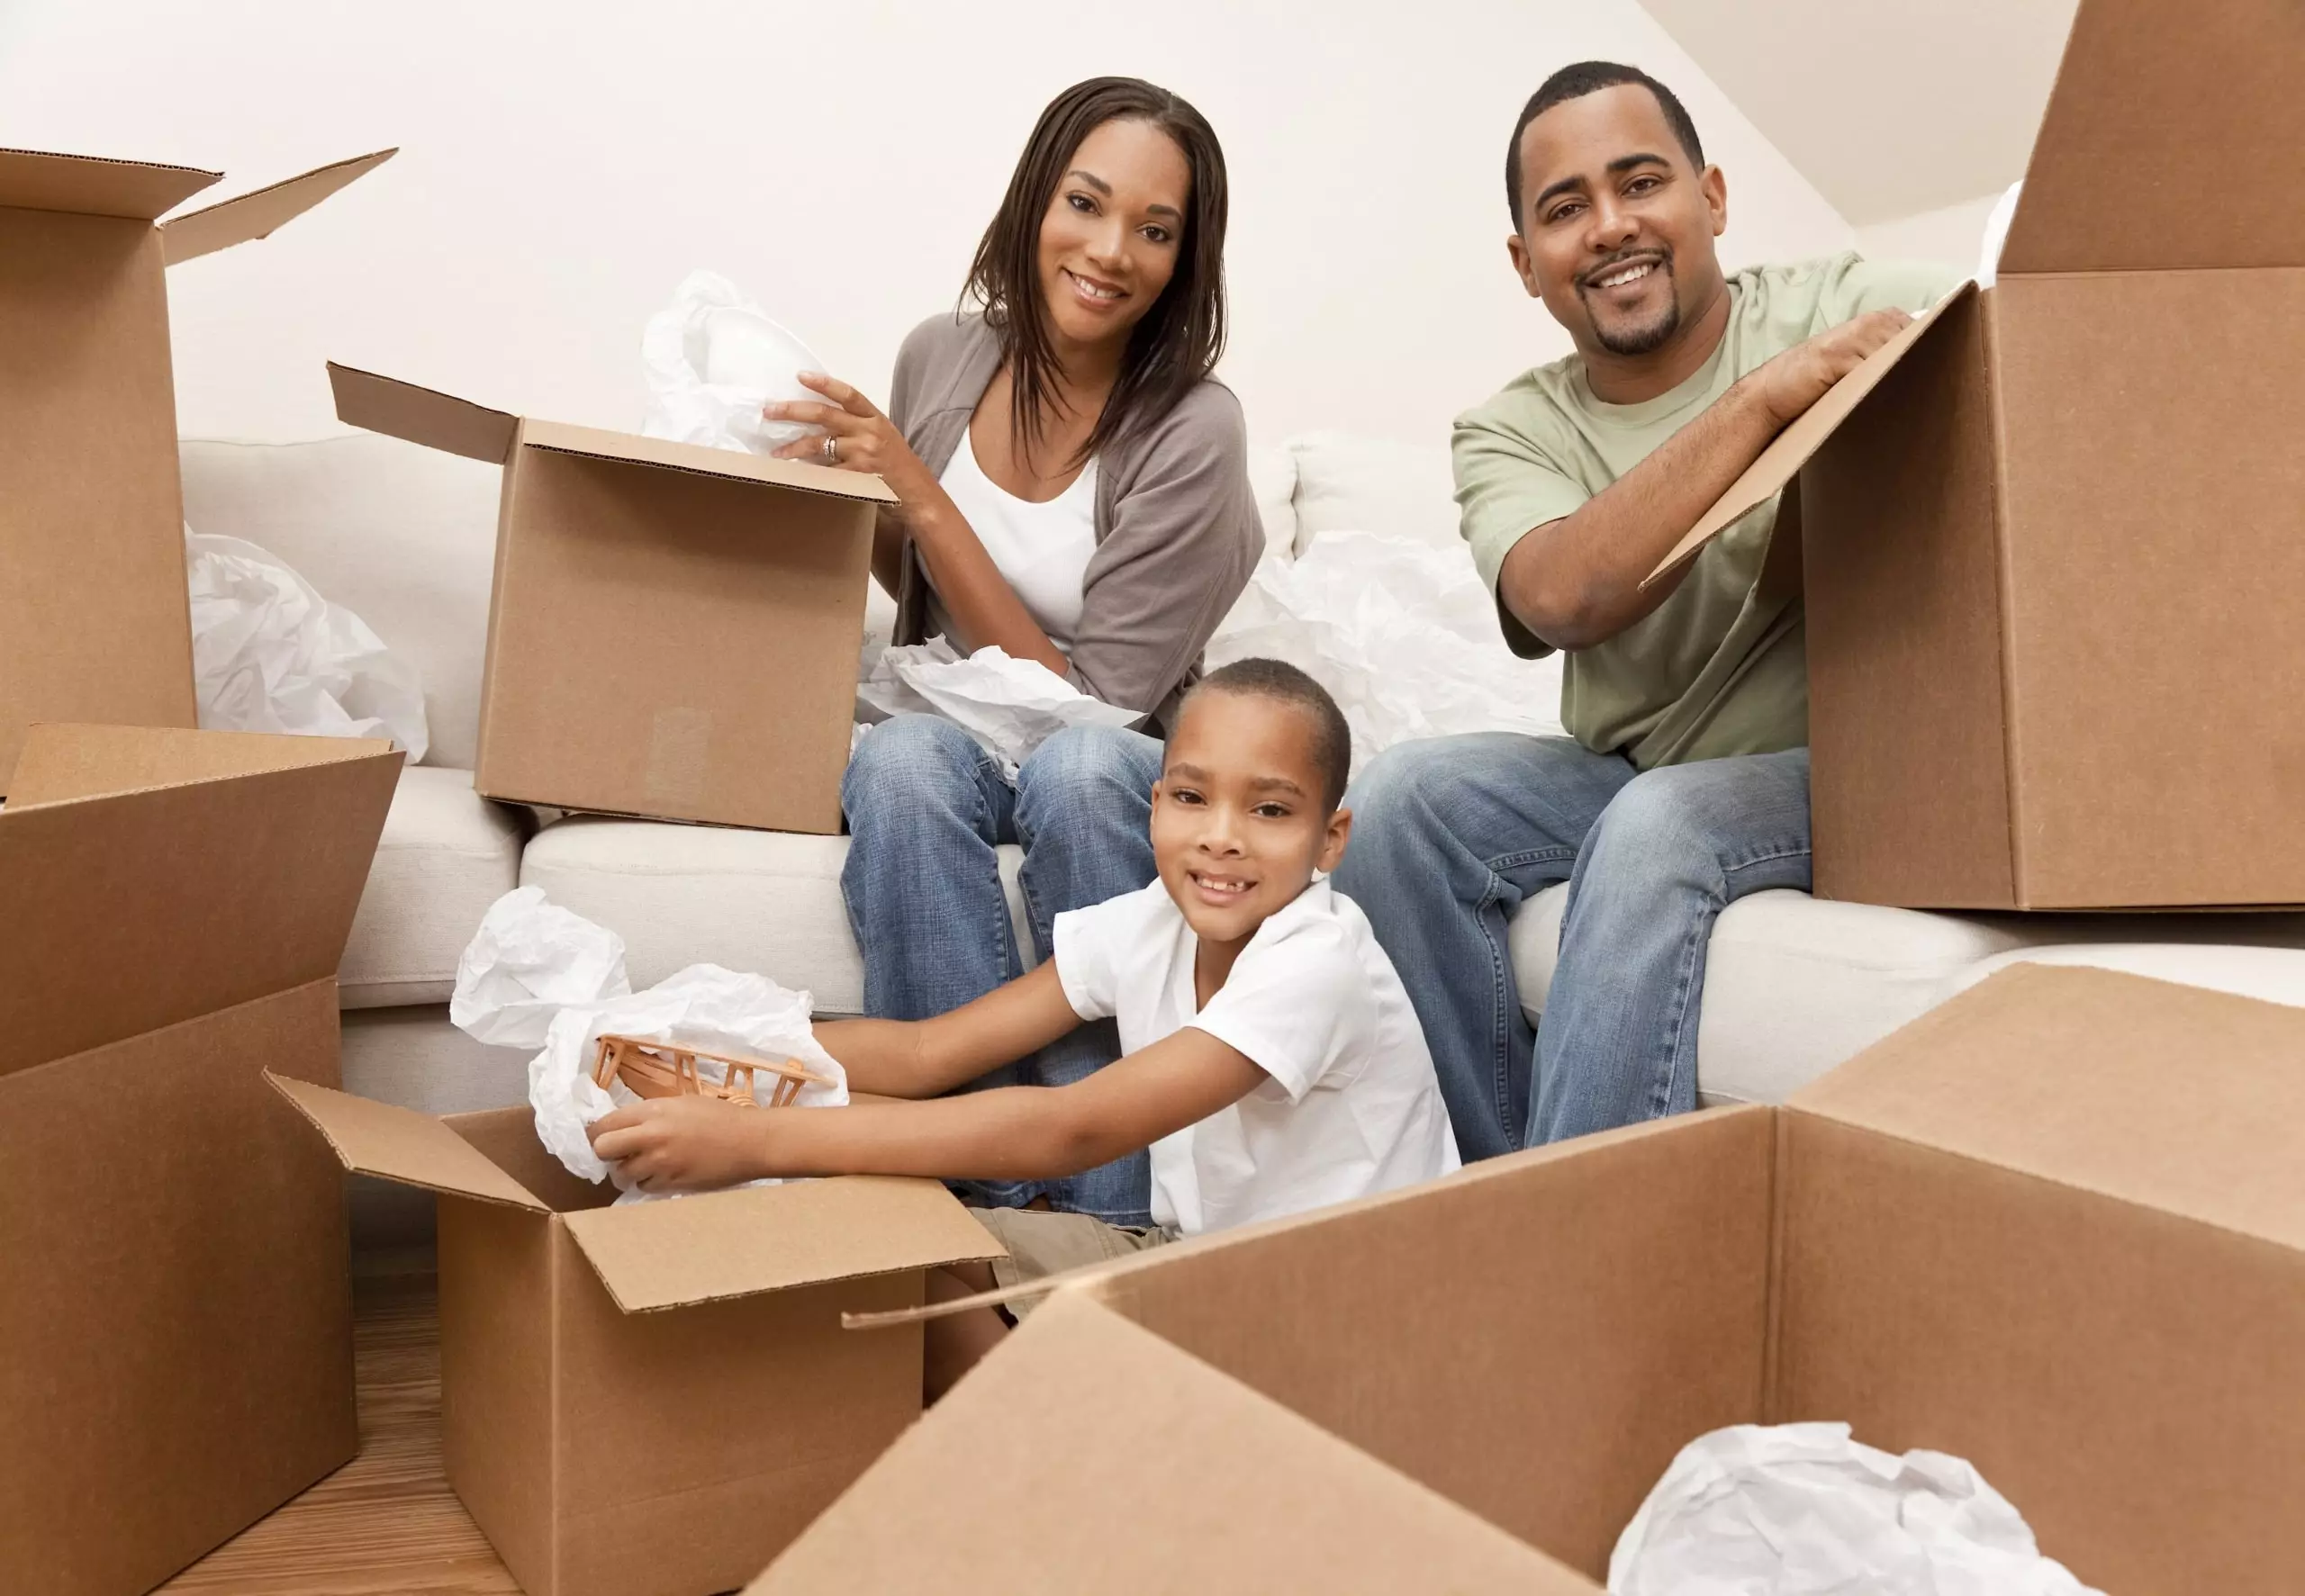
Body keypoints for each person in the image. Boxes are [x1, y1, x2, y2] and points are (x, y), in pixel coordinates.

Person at [1333, 62, 1960, 1160]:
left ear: (1711, 198)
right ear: (1527, 264)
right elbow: (1558, 594)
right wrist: (1762, 399)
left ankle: (1570, 1255)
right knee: (1401, 801)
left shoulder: (1843, 305)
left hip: (1840, 765)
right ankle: (1493, 1195)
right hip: (1634, 760)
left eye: (1641, 183)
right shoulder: (1508, 429)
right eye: (1566, 210)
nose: (1612, 227)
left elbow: (2045, 348)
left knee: (1658, 826)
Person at [589, 659, 1459, 1397]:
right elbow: (929, 1051)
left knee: (882, 1241)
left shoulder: (1318, 960)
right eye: (1192, 798)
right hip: (1197, 1258)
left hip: (1335, 1318)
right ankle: (1052, 1455)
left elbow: (1067, 1129)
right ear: (1155, 804)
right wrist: (715, 1047)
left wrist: (757, 1140)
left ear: (1330, 837)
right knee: (895, 1253)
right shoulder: (1154, 919)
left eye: (1269, 811)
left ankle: (1065, 1476)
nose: (1220, 839)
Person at [762, 77, 1263, 1228]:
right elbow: (915, 595)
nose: (1109, 250)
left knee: (1078, 778)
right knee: (897, 765)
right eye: (1085, 203)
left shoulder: (1195, 426)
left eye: (1155, 229)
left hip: (1111, 745)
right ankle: (973, 1202)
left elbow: (1100, 704)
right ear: (1035, 198)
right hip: (952, 725)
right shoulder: (939, 357)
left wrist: (922, 501)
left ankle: (1110, 1210)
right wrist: (844, 502)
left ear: (1187, 261)